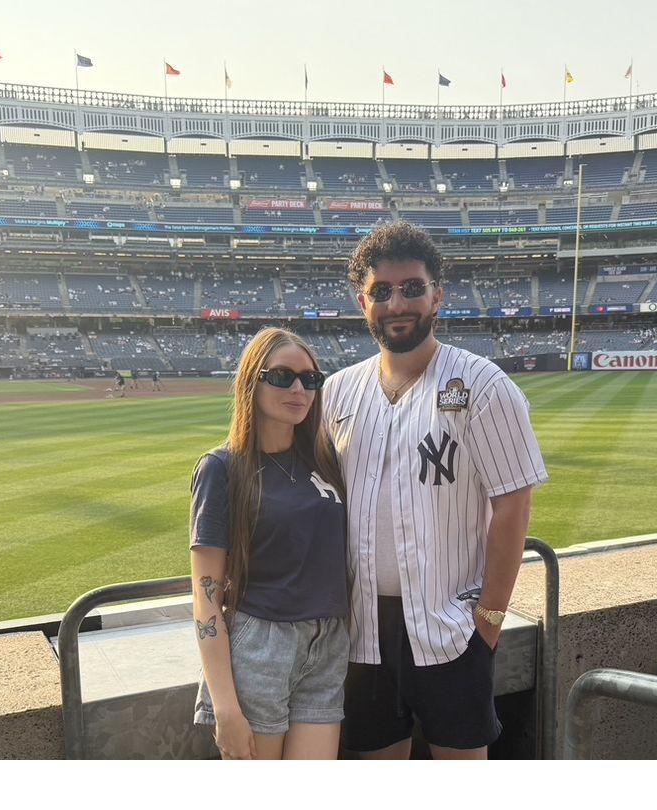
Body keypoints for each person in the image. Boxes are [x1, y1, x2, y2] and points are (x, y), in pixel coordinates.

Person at [322, 221, 548, 760]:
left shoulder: (484, 385)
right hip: (362, 630)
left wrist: (488, 623)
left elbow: (513, 505)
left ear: (437, 295)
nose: (397, 302)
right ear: (363, 302)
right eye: (382, 291)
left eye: (412, 288)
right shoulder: (337, 391)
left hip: (450, 624)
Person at [190, 327, 349, 760]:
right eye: (282, 376)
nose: (299, 388)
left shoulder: (325, 458)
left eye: (310, 379)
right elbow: (205, 598)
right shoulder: (222, 467)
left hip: (329, 640)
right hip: (262, 644)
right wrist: (224, 707)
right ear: (251, 381)